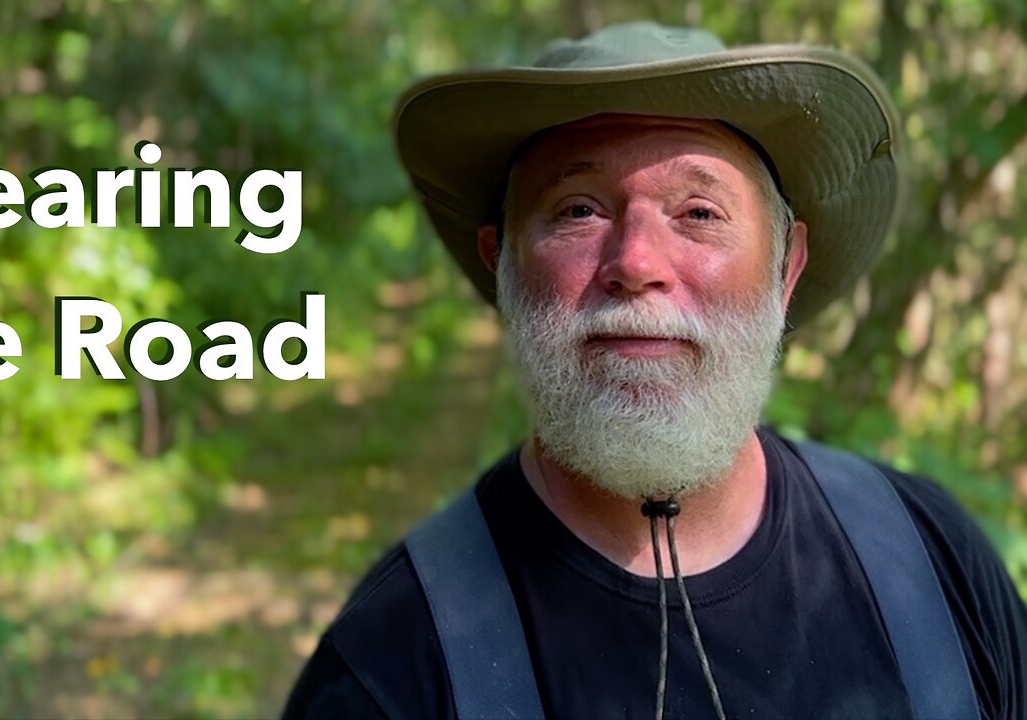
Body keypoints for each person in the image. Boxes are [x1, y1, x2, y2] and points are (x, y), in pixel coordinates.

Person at [282, 22, 1027, 720]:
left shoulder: (932, 563)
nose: (635, 264)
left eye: (699, 212)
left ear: (785, 268)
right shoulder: (391, 662)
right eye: (578, 210)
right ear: (502, 266)